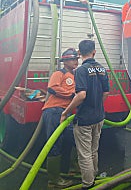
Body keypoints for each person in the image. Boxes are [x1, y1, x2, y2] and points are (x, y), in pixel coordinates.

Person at [60, 40, 109, 189]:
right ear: (94, 52)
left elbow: (81, 95)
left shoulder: (81, 70)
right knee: (94, 150)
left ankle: (88, 184)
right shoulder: (102, 69)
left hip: (85, 119)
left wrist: (65, 112)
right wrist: (97, 106)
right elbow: (106, 93)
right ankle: (93, 175)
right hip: (99, 117)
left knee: (85, 153)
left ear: (79, 54)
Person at [43, 48, 78, 188]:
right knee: (54, 143)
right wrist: (70, 95)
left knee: (73, 139)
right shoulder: (59, 73)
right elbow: (52, 88)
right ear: (65, 61)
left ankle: (73, 169)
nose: (75, 62)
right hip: (54, 111)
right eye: (72, 59)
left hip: (66, 113)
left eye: (76, 59)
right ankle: (54, 180)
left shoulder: (75, 76)